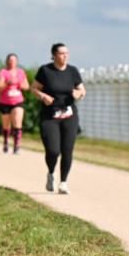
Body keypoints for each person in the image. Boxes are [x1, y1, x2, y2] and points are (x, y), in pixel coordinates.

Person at [31, 43, 85, 194]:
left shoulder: (72, 71)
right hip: (50, 116)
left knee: (67, 150)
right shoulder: (45, 70)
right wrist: (43, 96)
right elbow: (33, 88)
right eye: (61, 53)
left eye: (67, 53)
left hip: (69, 116)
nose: (65, 56)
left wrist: (78, 94)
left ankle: (63, 183)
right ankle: (51, 173)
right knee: (53, 151)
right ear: (54, 55)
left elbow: (82, 89)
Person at [0, 53, 29, 153]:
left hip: (18, 101)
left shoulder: (21, 72)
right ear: (7, 61)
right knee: (6, 125)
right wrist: (7, 83)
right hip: (4, 102)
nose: (12, 62)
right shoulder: (3, 72)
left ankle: (17, 145)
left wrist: (19, 83)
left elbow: (27, 86)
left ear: (17, 61)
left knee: (18, 123)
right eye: (10, 60)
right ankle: (6, 141)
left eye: (14, 60)